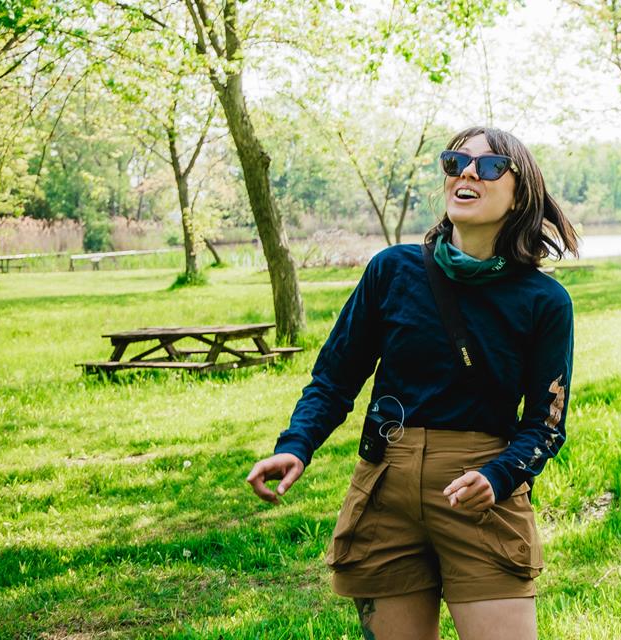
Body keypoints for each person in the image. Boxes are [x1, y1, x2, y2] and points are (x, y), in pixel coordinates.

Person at [243, 126, 578, 640]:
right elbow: (334, 379)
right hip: (385, 490)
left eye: (489, 167)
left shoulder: (543, 300)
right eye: (455, 162)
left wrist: (499, 477)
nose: (467, 173)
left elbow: (544, 426)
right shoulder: (393, 271)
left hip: (481, 493)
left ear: (521, 194)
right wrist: (297, 445)